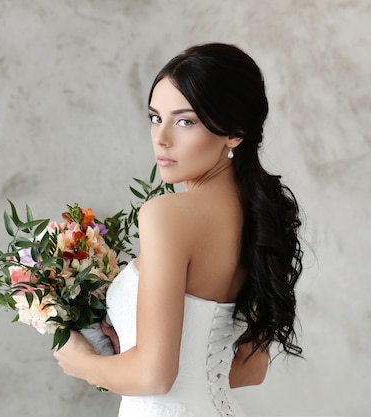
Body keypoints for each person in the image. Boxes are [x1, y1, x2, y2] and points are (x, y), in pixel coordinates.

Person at [53, 42, 304, 416]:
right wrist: (128, 357)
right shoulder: (261, 215)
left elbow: (155, 377)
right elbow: (251, 368)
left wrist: (83, 364)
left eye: (185, 121)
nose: (162, 137)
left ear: (234, 132)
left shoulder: (167, 215)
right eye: (156, 117)